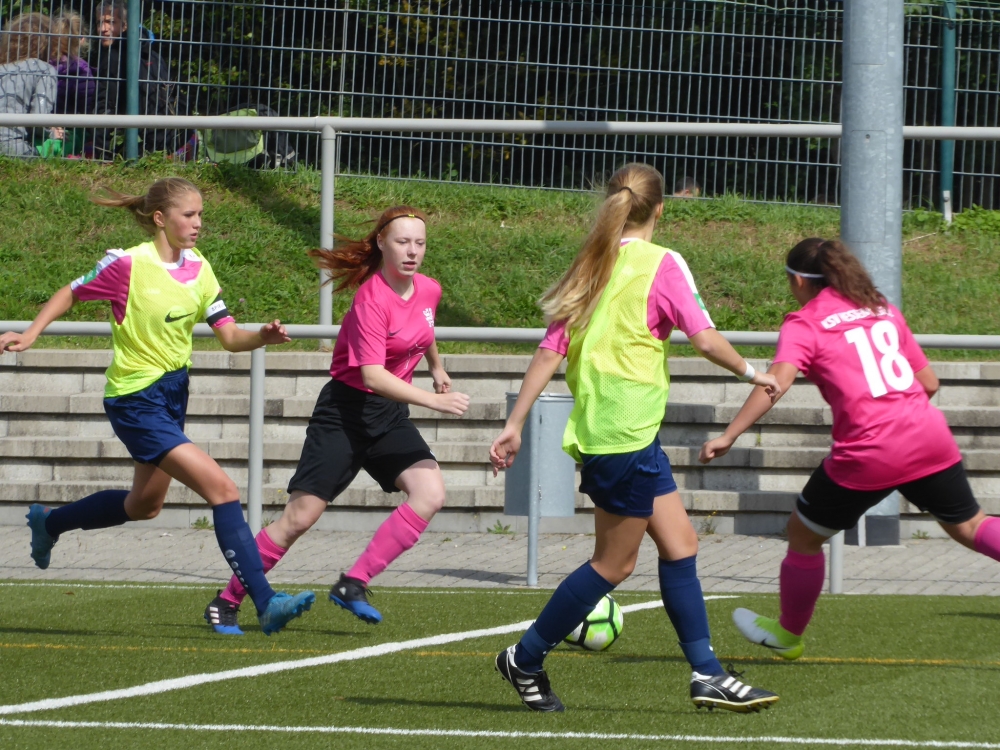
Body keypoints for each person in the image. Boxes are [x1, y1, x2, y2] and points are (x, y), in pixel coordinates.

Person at [489, 163, 781, 713]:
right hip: (623, 437)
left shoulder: (592, 261)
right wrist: (753, 373)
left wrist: (516, 422)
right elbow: (704, 338)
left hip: (620, 434)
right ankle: (525, 657)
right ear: (661, 209)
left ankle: (707, 674)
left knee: (681, 545)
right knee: (613, 565)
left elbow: (550, 351)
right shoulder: (661, 263)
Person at [0, 177, 315, 636]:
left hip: (172, 395)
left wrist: (261, 337)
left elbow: (229, 337)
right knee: (223, 490)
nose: (198, 223)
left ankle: (50, 523)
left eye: (201, 214)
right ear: (161, 218)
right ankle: (267, 603)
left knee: (144, 505)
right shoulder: (128, 264)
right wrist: (31, 333)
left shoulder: (200, 267)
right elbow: (71, 291)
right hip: (134, 399)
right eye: (189, 215)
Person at [698, 238, 1000, 662]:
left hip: (868, 451)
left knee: (803, 536)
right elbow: (929, 383)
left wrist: (729, 435)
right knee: (972, 526)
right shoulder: (880, 308)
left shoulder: (805, 322)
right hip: (929, 436)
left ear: (798, 280)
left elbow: (776, 384)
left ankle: (788, 635)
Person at [203, 205, 469, 635]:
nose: (412, 251)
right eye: (402, 242)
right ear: (381, 243)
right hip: (345, 413)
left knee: (430, 493)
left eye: (419, 243)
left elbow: (424, 327)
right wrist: (433, 401)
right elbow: (372, 375)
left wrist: (436, 366)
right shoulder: (371, 299)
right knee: (299, 518)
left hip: (388, 415)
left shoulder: (429, 289)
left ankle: (353, 583)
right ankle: (226, 601)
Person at [89, 0, 184, 159]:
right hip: (171, 139)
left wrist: (103, 155)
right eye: (99, 23)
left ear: (125, 25)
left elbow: (105, 107)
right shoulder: (152, 54)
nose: (103, 29)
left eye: (110, 22)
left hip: (142, 145)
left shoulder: (114, 57)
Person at [0, 13, 58, 156]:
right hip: (12, 148)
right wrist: (52, 132)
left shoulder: (2, 68)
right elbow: (38, 119)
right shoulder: (44, 70)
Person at [49, 12, 97, 157]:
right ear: (81, 39)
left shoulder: (41, 63)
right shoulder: (81, 68)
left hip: (43, 125)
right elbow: (88, 106)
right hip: (71, 129)